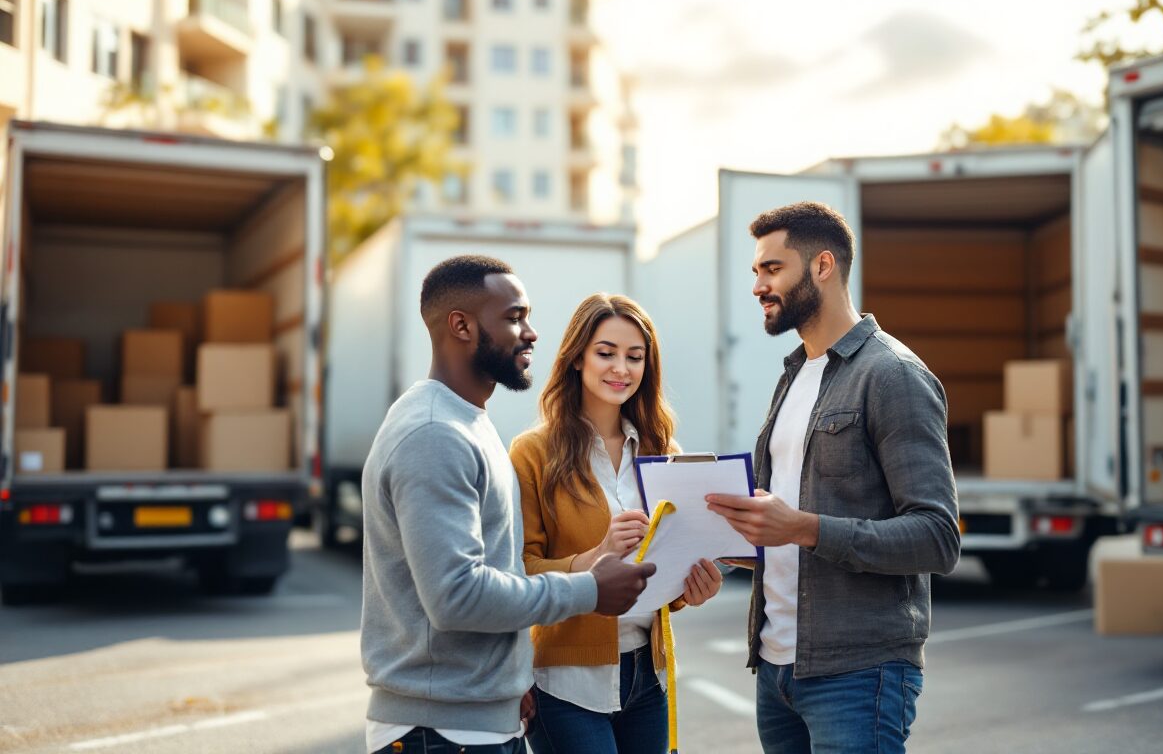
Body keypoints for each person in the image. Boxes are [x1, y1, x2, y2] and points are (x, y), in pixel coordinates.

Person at [361, 256, 656, 754]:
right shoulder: (435, 432)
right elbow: (456, 595)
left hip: (480, 720)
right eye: (515, 317)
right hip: (442, 733)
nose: (532, 333)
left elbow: (496, 571)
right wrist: (588, 588)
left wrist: (513, 673)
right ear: (462, 325)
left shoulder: (469, 423)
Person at [705, 202, 961, 754]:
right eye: (756, 271)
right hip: (777, 669)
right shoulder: (794, 374)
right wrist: (742, 541)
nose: (757, 285)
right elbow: (798, 525)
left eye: (772, 269)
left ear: (823, 265)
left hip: (858, 672)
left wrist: (802, 528)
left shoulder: (893, 376)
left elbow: (937, 537)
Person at [511, 293, 723, 754]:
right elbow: (518, 572)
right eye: (606, 353)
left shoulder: (664, 450)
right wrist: (596, 556)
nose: (621, 369)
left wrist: (692, 589)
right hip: (564, 683)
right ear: (576, 358)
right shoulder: (533, 451)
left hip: (649, 677)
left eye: (635, 357)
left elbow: (668, 570)